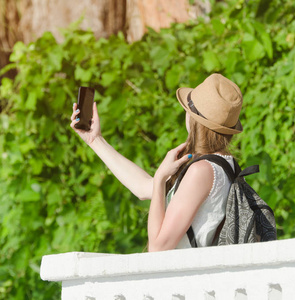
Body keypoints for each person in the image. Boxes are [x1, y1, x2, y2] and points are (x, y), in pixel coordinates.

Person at [70, 73, 243, 252]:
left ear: (192, 119)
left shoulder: (201, 171)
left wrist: (161, 177)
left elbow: (158, 248)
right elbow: (143, 188)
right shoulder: (224, 165)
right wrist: (95, 140)